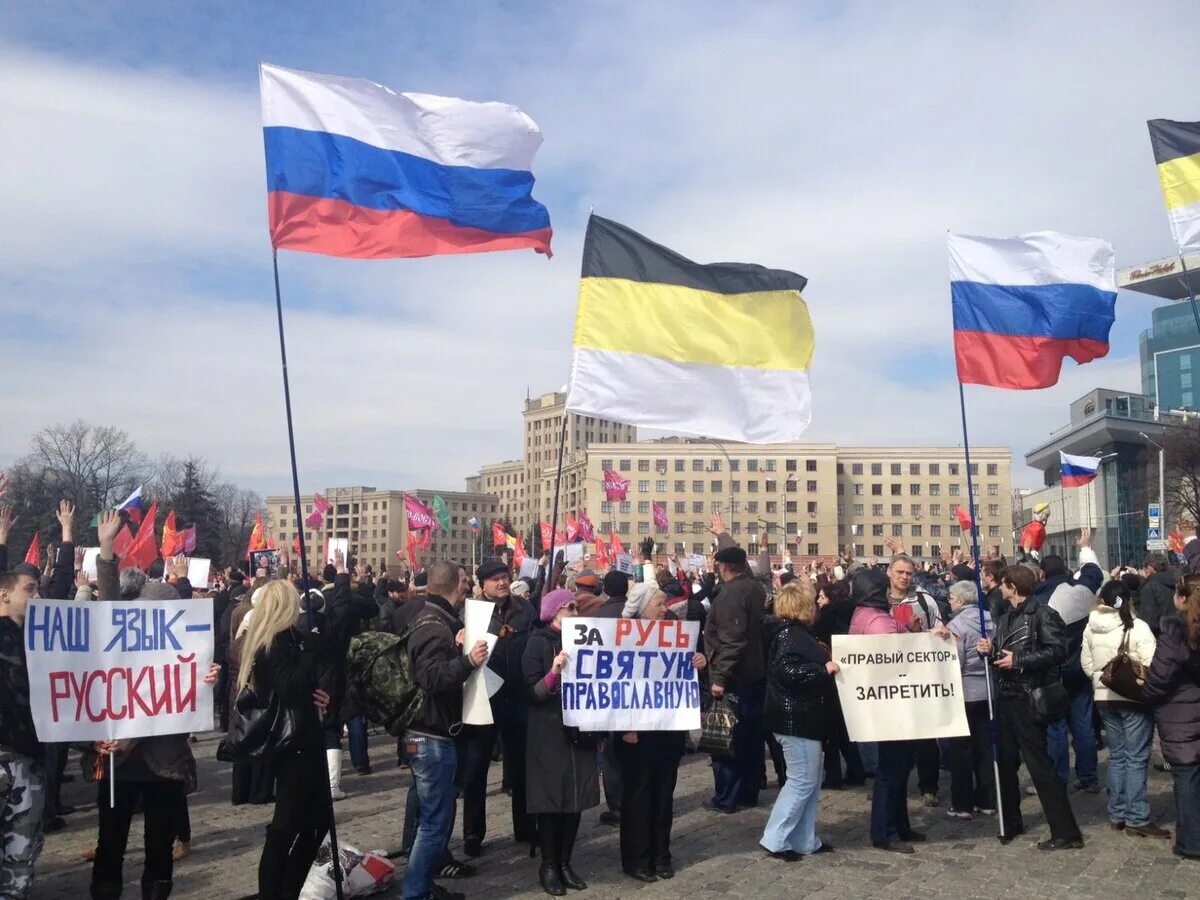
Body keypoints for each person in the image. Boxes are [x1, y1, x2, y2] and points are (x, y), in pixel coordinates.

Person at [89, 510, 220, 900]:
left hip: (164, 760)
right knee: (110, 841)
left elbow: (192, 689)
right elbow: (108, 603)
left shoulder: (181, 649)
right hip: (120, 760)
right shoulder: (115, 640)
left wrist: (206, 677)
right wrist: (108, 548)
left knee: (159, 847)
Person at [978, 565, 1083, 850]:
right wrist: (988, 652)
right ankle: (1011, 821)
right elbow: (1002, 656)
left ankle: (1066, 831)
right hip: (1006, 697)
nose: (1000, 588)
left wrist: (1019, 660)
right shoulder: (1006, 616)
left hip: (1028, 698)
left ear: (1011, 586)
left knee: (1040, 767)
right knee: (1006, 764)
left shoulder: (1043, 614)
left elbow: (1057, 651)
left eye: (1003, 584)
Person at [403, 562, 489, 900]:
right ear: (454, 585)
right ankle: (415, 893)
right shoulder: (434, 626)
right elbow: (432, 677)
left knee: (429, 816)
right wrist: (467, 661)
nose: (469, 586)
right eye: (466, 581)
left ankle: (423, 886)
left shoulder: (433, 620)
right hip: (430, 737)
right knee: (434, 823)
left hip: (427, 733)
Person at [616, 589, 707, 882]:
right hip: (637, 732)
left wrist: (699, 662)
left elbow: (687, 672)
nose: (663, 607)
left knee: (664, 797)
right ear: (642, 608)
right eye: (658, 603)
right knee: (639, 797)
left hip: (668, 729)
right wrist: (626, 726)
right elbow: (616, 685)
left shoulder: (674, 634)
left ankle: (661, 855)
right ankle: (637, 858)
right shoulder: (624, 637)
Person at [523, 589, 599, 896]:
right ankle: (549, 865)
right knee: (552, 802)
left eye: (577, 608)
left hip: (580, 730)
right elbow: (532, 692)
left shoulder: (586, 639)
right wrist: (554, 672)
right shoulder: (537, 643)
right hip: (549, 732)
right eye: (570, 608)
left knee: (576, 800)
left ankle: (566, 862)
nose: (576, 613)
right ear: (554, 612)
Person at [459, 558, 536, 857]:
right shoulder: (470, 612)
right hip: (483, 700)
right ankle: (472, 835)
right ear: (483, 585)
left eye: (505, 577)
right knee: (476, 772)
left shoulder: (524, 610)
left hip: (517, 698)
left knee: (520, 769)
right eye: (495, 579)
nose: (502, 583)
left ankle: (525, 827)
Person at [1080, 578, 1167, 836]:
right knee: (1136, 758)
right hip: (1133, 699)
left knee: (1117, 756)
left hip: (1104, 697)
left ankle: (1117, 813)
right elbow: (1152, 663)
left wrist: (1101, 679)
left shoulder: (1090, 627)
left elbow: (1086, 662)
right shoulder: (1138, 626)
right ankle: (1137, 817)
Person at [759, 580, 838, 862]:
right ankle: (776, 837)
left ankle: (805, 839)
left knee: (809, 782)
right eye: (813, 601)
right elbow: (789, 672)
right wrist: (822, 670)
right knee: (802, 781)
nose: (817, 605)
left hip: (801, 718)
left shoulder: (793, 633)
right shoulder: (791, 635)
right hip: (796, 718)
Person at [850, 567, 926, 854]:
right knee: (892, 769)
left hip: (883, 702)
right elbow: (894, 661)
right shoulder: (879, 621)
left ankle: (900, 826)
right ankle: (884, 831)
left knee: (898, 766)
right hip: (892, 704)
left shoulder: (864, 615)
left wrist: (910, 631)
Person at [703, 515, 767, 815]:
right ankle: (750, 792)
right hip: (754, 674)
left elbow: (732, 640)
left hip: (734, 678)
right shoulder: (752, 586)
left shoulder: (730, 594)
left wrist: (719, 677)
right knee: (751, 739)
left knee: (727, 740)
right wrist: (724, 535)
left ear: (723, 568)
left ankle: (727, 796)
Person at [1141, 573, 1200, 860]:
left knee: (1187, 779)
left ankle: (1191, 842)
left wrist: (1148, 696)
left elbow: (1159, 678)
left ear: (1182, 598)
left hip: (1181, 714)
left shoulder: (1176, 632)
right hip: (1189, 711)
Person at [1040, 531, 1104, 794]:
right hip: (1078, 668)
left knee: (1056, 728)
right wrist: (1085, 548)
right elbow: (1094, 574)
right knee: (1083, 725)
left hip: (1052, 670)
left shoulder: (1037, 597)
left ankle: (1058, 777)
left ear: (1042, 575)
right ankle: (1089, 777)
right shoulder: (1080, 592)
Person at [883, 552, 943, 807]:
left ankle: (929, 786)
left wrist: (925, 632)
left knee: (926, 736)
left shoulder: (924, 600)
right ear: (889, 572)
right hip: (887, 678)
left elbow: (940, 631)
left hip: (920, 676)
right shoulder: (878, 600)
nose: (904, 577)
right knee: (890, 734)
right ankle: (890, 783)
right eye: (899, 572)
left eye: (908, 573)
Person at [0, 557, 44, 899]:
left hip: (28, 759)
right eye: (29, 589)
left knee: (22, 847)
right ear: (4, 593)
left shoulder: (43, 641)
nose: (37, 596)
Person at [944, 581, 995, 820]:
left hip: (965, 691)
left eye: (952, 598)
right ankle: (986, 800)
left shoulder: (956, 625)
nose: (949, 602)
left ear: (962, 601)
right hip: (988, 690)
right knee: (984, 749)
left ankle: (962, 803)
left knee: (961, 751)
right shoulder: (989, 619)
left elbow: (956, 662)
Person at [813, 579, 865, 788]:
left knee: (832, 731)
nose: (818, 600)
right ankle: (856, 770)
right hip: (851, 674)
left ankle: (833, 775)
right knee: (844, 729)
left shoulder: (826, 616)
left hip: (831, 674)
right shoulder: (854, 613)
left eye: (822, 597)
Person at [1139, 552, 1178, 637]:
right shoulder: (1180, 580)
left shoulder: (1150, 586)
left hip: (1161, 637)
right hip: (1182, 634)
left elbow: (1148, 620)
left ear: (1149, 568)